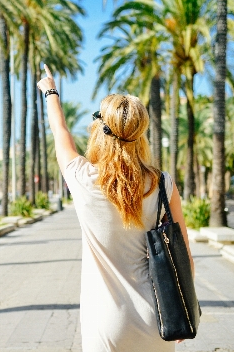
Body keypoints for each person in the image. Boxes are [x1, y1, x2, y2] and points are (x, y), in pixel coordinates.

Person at [37, 64, 195, 351]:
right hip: (158, 321)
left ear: (99, 130)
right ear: (141, 133)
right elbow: (184, 256)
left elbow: (60, 131)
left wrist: (50, 90)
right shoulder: (162, 184)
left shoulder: (83, 178)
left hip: (105, 324)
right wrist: (185, 308)